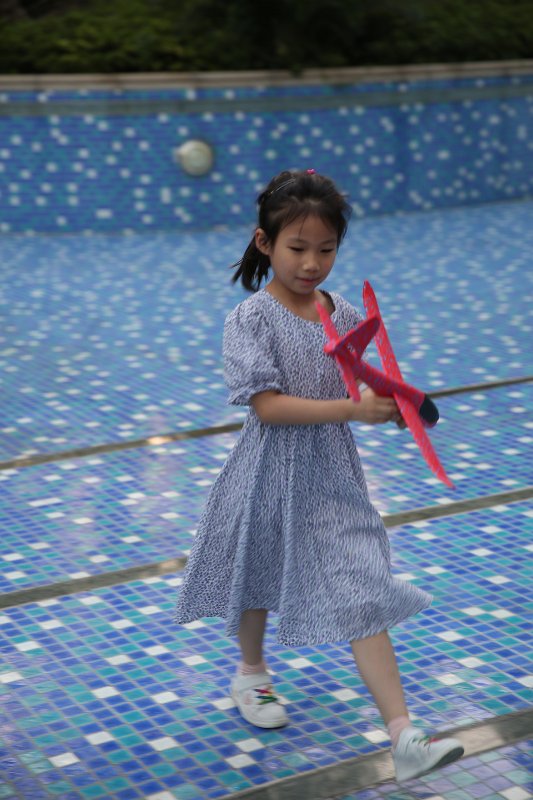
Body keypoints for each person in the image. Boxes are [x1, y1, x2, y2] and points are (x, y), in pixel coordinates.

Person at [175, 169, 464, 783]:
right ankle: (251, 674)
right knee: (256, 570)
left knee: (361, 587)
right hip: (266, 472)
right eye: (298, 248)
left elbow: (360, 388)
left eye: (327, 249)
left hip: (331, 479)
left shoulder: (344, 312)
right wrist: (353, 410)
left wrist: (391, 407)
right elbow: (268, 408)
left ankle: (404, 736)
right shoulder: (250, 319)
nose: (312, 264)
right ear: (265, 243)